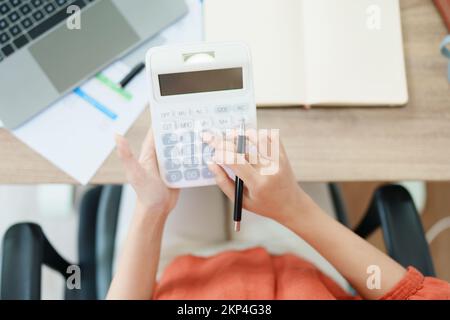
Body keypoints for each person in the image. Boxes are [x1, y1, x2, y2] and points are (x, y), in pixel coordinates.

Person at [107, 129, 450, 300]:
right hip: (301, 259)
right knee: (263, 134)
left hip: (173, 272)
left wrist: (151, 212)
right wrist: (295, 209)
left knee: (193, 142)